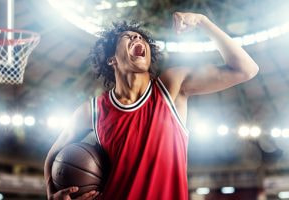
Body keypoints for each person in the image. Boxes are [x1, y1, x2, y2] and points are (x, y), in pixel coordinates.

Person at [44, 12, 259, 200]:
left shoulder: (171, 86)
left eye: (140, 37)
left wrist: (203, 22)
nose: (137, 37)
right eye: (127, 37)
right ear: (111, 59)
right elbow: (53, 156)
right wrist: (52, 194)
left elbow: (246, 69)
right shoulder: (93, 110)